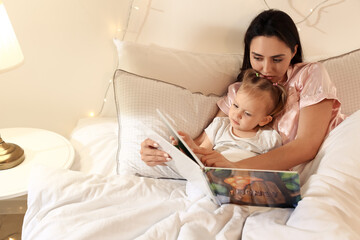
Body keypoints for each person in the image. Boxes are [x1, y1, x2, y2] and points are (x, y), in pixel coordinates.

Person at [140, 9, 346, 171]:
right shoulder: (240, 90)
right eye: (257, 58)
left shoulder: (310, 75)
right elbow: (206, 143)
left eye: (277, 59)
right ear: (248, 53)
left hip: (323, 161)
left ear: (293, 51)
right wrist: (165, 152)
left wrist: (237, 167)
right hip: (255, 176)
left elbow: (307, 146)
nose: (266, 69)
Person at [175, 68, 287, 163]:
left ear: (263, 120)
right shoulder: (220, 126)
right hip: (215, 174)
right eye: (236, 106)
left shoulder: (269, 138)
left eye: (247, 113)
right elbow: (202, 153)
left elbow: (274, 166)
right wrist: (192, 148)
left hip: (246, 179)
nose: (237, 114)